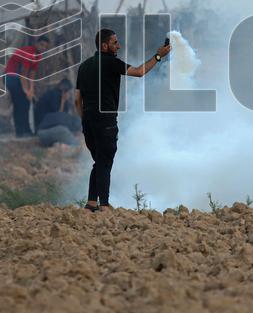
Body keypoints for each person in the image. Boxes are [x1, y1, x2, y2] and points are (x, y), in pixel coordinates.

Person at [75, 28, 171, 211]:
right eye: (114, 43)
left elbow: (76, 100)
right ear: (104, 46)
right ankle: (104, 205)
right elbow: (139, 72)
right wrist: (158, 57)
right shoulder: (112, 63)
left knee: (99, 160)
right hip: (106, 121)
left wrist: (85, 120)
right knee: (105, 161)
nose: (119, 45)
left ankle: (91, 203)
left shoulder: (84, 66)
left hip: (88, 121)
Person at [4, 35, 50, 136]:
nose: (43, 48)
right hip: (11, 76)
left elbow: (32, 74)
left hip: (19, 77)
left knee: (26, 103)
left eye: (45, 47)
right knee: (21, 103)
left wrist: (31, 89)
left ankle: (26, 130)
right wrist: (26, 91)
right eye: (41, 45)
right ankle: (20, 132)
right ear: (36, 43)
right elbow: (23, 74)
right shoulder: (28, 52)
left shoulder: (38, 55)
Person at [35, 79, 81, 146]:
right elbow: (58, 117)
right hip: (43, 122)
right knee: (63, 130)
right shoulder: (53, 94)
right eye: (69, 92)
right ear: (64, 91)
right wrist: (63, 101)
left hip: (50, 123)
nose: (70, 95)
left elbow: (62, 116)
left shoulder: (65, 100)